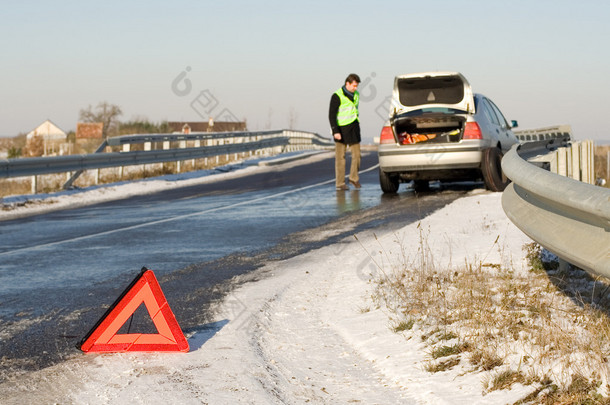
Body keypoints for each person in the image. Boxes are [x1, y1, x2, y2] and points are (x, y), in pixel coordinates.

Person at [329, 73, 362, 190]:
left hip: (353, 128)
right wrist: (335, 131)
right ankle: (340, 183)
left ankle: (353, 178)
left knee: (357, 155)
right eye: (354, 86)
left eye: (356, 86)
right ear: (347, 84)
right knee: (340, 158)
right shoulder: (337, 96)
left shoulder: (356, 95)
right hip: (341, 130)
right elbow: (331, 115)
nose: (355, 88)